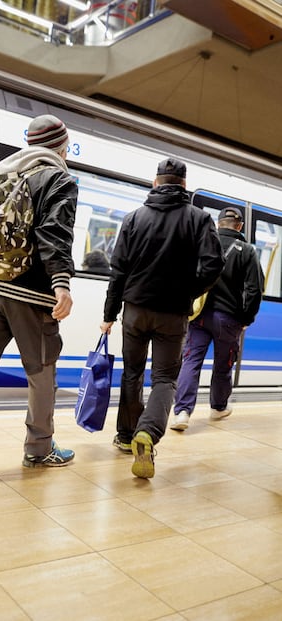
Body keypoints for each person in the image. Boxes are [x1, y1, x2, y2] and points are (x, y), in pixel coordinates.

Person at [0, 114, 79, 484]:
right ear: (61, 146)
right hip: (30, 293)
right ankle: (38, 450)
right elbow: (54, 232)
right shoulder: (58, 178)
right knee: (41, 373)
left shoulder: (4, 174)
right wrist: (61, 283)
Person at [100, 157, 224, 479]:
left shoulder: (133, 219)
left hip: (135, 310)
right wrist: (187, 291)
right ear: (184, 186)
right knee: (165, 378)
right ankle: (148, 433)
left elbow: (118, 271)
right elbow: (213, 266)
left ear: (155, 183)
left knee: (132, 372)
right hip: (172, 313)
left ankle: (127, 436)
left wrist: (109, 314)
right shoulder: (200, 219)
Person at [171, 206, 264, 431]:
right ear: (239, 226)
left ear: (217, 223)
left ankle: (182, 412)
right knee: (224, 365)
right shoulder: (248, 251)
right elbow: (254, 290)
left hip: (198, 316)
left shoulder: (201, 244)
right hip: (228, 319)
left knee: (191, 361)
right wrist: (246, 319)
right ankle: (218, 407)